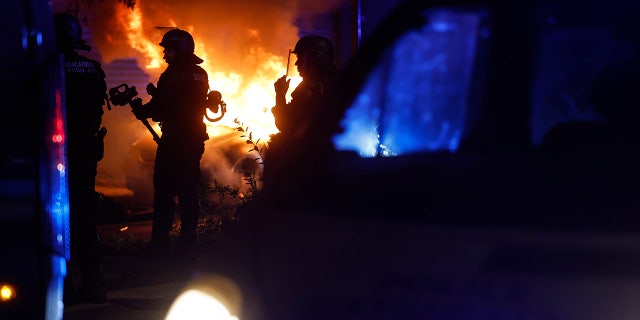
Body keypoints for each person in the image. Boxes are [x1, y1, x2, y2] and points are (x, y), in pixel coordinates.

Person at [132, 28, 209, 258]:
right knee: (188, 192)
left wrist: (141, 110)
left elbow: (163, 107)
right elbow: (184, 101)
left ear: (180, 50)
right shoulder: (200, 73)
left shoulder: (172, 74)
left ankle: (159, 246)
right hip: (194, 139)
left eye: (168, 50)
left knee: (164, 192)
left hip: (175, 140)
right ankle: (188, 246)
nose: (165, 55)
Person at [54, 12, 108, 304]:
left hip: (56, 157)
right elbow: (98, 111)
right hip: (86, 154)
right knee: (84, 217)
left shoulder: (50, 68)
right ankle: (94, 281)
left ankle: (64, 284)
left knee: (57, 219)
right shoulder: (91, 68)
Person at [262, 35, 341, 207]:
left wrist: (280, 95)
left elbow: (286, 125)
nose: (297, 64)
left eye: (300, 58)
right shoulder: (339, 82)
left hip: (306, 160)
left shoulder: (311, 86)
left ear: (312, 58)